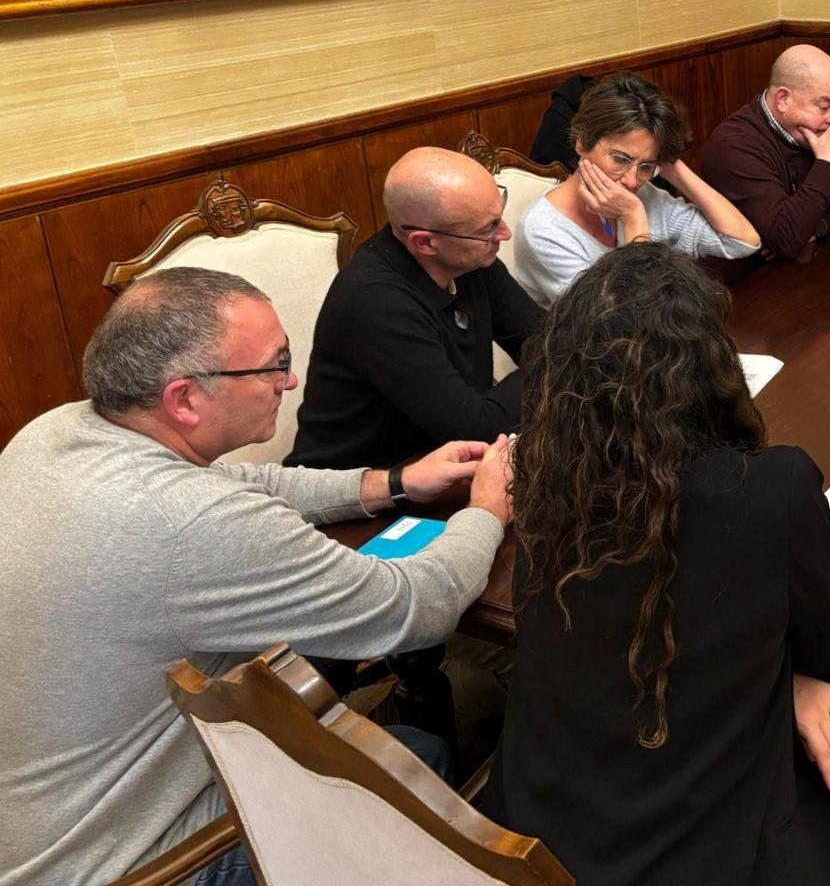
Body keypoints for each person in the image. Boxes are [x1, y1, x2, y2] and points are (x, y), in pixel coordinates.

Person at [0, 267, 513, 886]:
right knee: (420, 758)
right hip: (126, 865)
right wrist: (488, 508)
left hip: (37, 823)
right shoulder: (193, 524)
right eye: (275, 365)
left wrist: (394, 483)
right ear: (184, 399)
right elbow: (414, 608)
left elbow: (242, 483)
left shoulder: (58, 430)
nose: (289, 381)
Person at [483, 244, 830, 885]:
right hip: (704, 847)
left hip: (538, 838)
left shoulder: (547, 476)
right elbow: (828, 637)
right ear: (713, 366)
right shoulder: (773, 484)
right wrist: (795, 676)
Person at [286, 147, 542, 470]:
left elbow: (548, 338)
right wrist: (555, 362)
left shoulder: (469, 258)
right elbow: (476, 429)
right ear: (425, 242)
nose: (504, 233)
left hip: (443, 465)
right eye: (488, 228)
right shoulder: (375, 302)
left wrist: (556, 355)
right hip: (365, 485)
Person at [510, 72, 760, 303]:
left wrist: (675, 168)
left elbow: (742, 241)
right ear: (582, 143)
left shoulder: (646, 195)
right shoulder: (543, 230)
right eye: (620, 159)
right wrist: (633, 219)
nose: (632, 181)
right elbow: (621, 320)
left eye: (646, 166)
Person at [698, 44, 830, 261]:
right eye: (824, 107)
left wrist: (816, 226)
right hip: (749, 277)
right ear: (783, 99)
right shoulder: (733, 146)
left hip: (806, 267)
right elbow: (786, 239)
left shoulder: (819, 130)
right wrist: (828, 166)